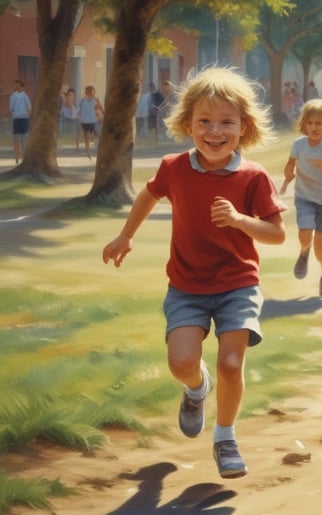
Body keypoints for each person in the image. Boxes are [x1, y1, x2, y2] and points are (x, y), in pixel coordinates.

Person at [102, 66, 287, 479]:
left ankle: (225, 438)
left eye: (226, 122)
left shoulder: (253, 176)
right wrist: (125, 236)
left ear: (245, 127)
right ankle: (196, 388)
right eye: (204, 121)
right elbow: (148, 196)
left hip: (238, 283)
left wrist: (240, 220)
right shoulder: (174, 167)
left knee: (231, 365)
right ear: (188, 125)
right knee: (182, 361)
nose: (215, 131)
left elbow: (276, 234)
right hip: (186, 285)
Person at [279, 98, 322, 298]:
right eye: (310, 123)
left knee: (320, 244)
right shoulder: (299, 144)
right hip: (303, 197)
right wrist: (288, 173)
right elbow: (290, 163)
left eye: (319, 123)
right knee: (304, 234)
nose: (314, 127)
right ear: (304, 124)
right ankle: (303, 252)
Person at [9, 79, 32, 164]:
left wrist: (28, 115)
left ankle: (24, 155)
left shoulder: (25, 96)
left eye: (18, 86)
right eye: (15, 85)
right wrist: (15, 114)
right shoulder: (13, 96)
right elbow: (11, 108)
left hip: (24, 118)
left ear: (22, 87)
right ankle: (17, 155)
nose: (16, 87)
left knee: (25, 138)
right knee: (17, 138)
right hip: (16, 119)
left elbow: (29, 106)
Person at [78, 85, 103, 159]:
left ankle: (98, 148)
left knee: (97, 134)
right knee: (86, 136)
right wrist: (79, 117)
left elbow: (100, 108)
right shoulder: (83, 101)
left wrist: (100, 115)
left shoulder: (96, 100)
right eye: (92, 91)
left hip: (93, 120)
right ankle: (87, 150)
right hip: (85, 121)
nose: (94, 93)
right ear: (88, 92)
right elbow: (80, 110)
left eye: (94, 91)